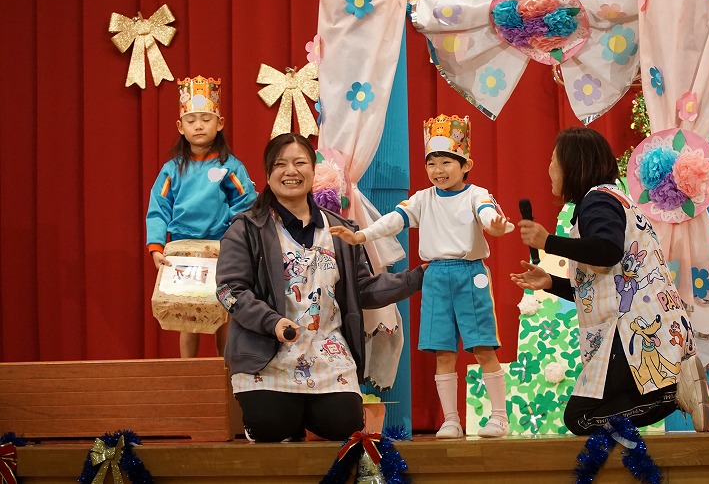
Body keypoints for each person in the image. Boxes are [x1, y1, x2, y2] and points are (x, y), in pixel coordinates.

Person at [215, 132, 426, 442]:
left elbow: (363, 288)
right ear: (268, 175)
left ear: (314, 171)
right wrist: (272, 322)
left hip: (328, 353)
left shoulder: (341, 230)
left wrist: (417, 277)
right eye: (280, 164)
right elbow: (229, 291)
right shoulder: (246, 228)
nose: (291, 171)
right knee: (272, 426)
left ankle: (305, 413)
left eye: (300, 163)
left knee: (344, 426)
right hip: (266, 356)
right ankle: (274, 417)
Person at [509, 126, 709, 434]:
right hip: (649, 324)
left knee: (581, 418)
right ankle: (673, 392)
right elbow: (602, 284)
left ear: (574, 164)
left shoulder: (597, 202)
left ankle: (673, 395)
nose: (549, 168)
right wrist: (550, 282)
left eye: (554, 160)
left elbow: (607, 251)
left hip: (632, 330)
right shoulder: (613, 199)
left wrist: (547, 242)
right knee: (600, 409)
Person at [330, 114, 514, 439]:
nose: (438, 170)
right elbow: (394, 220)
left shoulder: (477, 194)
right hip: (435, 277)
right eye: (432, 163)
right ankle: (451, 420)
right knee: (443, 351)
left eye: (446, 162)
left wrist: (495, 225)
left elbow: (488, 215)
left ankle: (499, 417)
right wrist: (362, 236)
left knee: (483, 346)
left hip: (470, 275)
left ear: (466, 164)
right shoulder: (422, 199)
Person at [146, 75, 257, 358]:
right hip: (181, 250)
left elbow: (246, 202)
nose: (198, 125)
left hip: (221, 249)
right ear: (180, 127)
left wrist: (229, 233)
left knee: (223, 309)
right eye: (192, 120)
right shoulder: (172, 170)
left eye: (206, 119)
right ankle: (188, 373)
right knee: (187, 311)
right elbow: (158, 207)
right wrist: (156, 247)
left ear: (219, 123)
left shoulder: (230, 166)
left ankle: (225, 370)